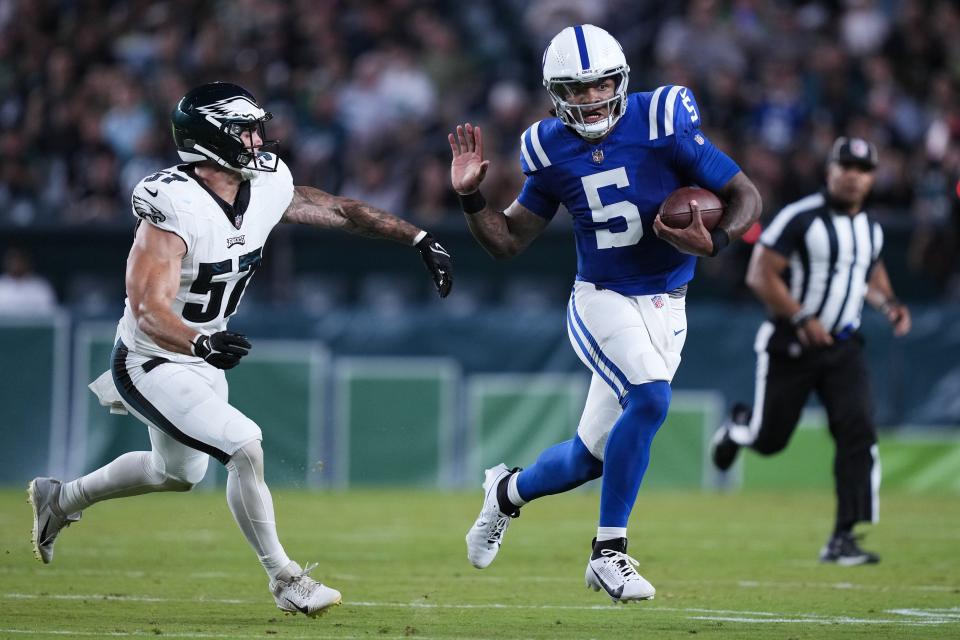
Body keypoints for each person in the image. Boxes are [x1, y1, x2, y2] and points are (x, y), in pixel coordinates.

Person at [27, 82, 453, 617]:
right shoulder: (172, 204)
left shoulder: (265, 183)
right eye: (243, 130)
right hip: (150, 358)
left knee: (177, 474)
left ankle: (60, 500)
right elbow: (148, 310)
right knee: (245, 445)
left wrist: (415, 237)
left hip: (200, 355)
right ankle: (285, 579)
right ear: (209, 140)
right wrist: (200, 339)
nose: (257, 140)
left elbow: (339, 210)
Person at [449, 25, 761, 602]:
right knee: (650, 397)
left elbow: (745, 195)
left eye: (600, 86)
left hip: (669, 304)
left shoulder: (663, 118)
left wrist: (715, 245)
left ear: (621, 81)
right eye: (576, 88)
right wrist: (471, 198)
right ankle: (608, 554)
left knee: (586, 460)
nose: (590, 99)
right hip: (602, 298)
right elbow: (507, 241)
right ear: (554, 92)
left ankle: (505, 494)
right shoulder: (546, 145)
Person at [710, 136, 911, 566]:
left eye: (862, 170)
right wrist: (801, 317)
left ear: (872, 177)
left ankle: (844, 537)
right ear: (830, 171)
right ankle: (738, 428)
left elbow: (870, 270)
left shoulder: (870, 227)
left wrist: (889, 305)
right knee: (769, 440)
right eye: (846, 168)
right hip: (791, 345)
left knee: (858, 432)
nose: (853, 177)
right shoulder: (799, 219)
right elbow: (760, 275)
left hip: (844, 347)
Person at [0, 247, 58, 314]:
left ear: (26, 262)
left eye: (19, 260)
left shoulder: (41, 286)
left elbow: (51, 312)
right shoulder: (1, 284)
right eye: (12, 260)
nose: (16, 263)